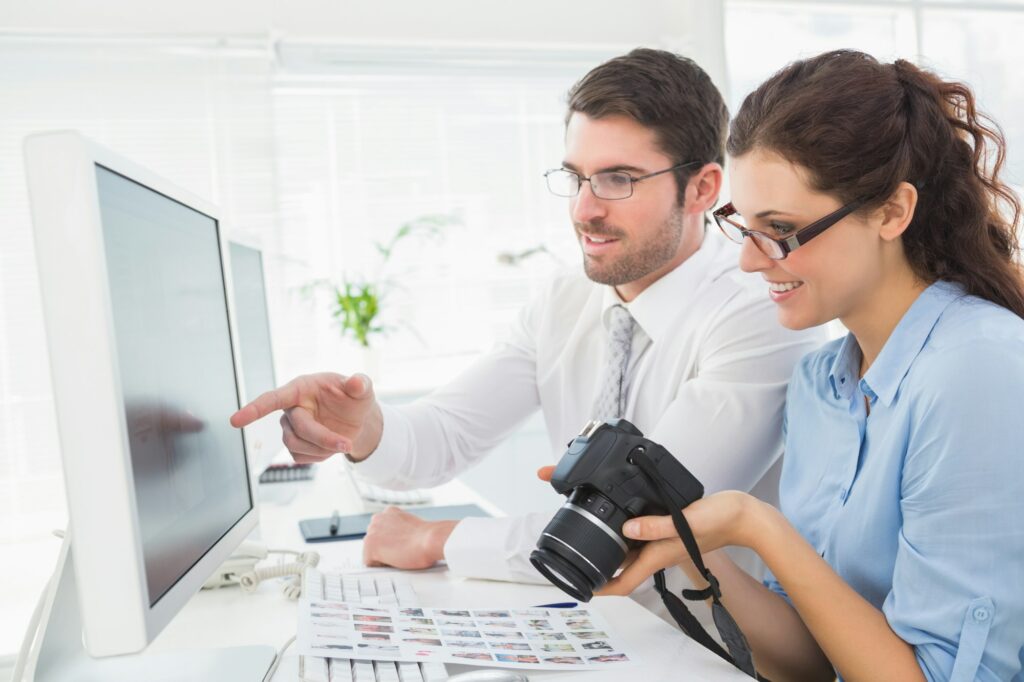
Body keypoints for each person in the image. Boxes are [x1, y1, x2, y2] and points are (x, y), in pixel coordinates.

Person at [230, 48, 822, 620]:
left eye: (618, 179)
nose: (584, 210)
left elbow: (633, 527)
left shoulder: (758, 313)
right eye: (576, 177)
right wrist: (361, 429)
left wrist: (441, 539)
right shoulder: (565, 300)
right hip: (593, 627)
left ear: (702, 188)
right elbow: (442, 437)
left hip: (710, 648)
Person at [589, 50, 1024, 680]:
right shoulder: (821, 387)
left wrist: (757, 526)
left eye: (782, 228)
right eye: (742, 225)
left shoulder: (979, 371)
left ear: (892, 212)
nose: (750, 261)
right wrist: (683, 544)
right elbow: (818, 661)